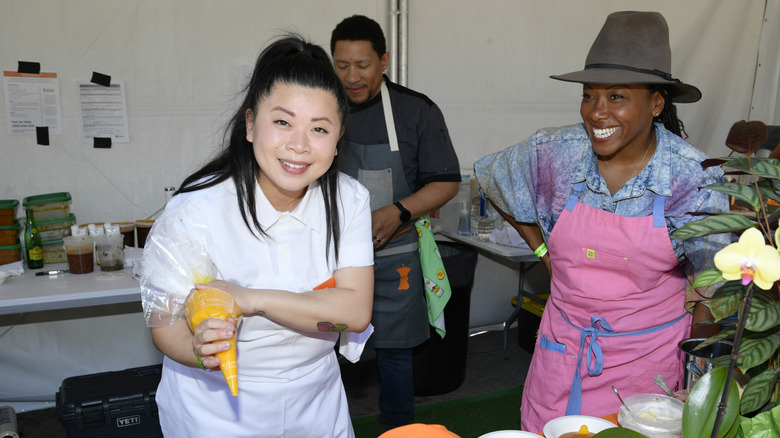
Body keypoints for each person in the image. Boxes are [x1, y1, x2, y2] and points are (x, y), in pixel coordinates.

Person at [473, 11, 730, 431]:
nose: (596, 112)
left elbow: (712, 293)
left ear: (657, 102)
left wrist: (697, 378)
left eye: (616, 97)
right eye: (589, 95)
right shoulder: (553, 152)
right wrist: (543, 252)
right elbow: (493, 179)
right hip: (563, 351)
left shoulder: (692, 177)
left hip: (646, 365)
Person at [139, 34, 374, 437]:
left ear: (337, 142)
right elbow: (164, 324)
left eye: (319, 128)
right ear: (250, 124)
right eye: (282, 122)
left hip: (315, 401)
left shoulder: (349, 200)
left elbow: (354, 311)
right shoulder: (194, 211)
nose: (298, 145)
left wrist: (252, 299)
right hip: (216, 407)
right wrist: (199, 349)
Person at [330, 15, 461, 430]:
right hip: (329, 258)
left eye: (362, 65)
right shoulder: (319, 107)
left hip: (395, 258)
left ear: (384, 60)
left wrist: (398, 211)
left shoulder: (415, 112)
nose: (352, 77)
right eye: (341, 65)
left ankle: (400, 429)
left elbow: (446, 182)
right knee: (318, 349)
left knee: (395, 355)